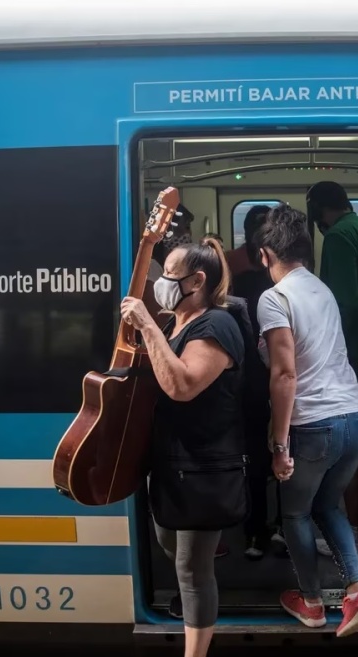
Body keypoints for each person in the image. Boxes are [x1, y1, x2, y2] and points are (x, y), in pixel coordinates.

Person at [254, 204, 358, 636]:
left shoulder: (274, 298)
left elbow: (284, 374)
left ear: (265, 255)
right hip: (355, 418)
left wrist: (279, 445)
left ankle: (311, 602)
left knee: (295, 514)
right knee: (328, 505)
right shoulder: (322, 289)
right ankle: (357, 591)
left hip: (314, 425)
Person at [120, 237, 248, 657]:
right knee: (175, 550)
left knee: (192, 570)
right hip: (173, 465)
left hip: (201, 468)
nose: (162, 282)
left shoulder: (217, 327)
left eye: (170, 275)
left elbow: (183, 385)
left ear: (197, 281)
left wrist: (147, 326)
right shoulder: (177, 324)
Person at [307, 181, 358, 559]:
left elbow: (343, 305)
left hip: (350, 357)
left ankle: (353, 533)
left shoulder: (338, 237)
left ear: (318, 210)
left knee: (353, 449)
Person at [229, 204, 277, 560]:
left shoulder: (277, 281)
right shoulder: (241, 277)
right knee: (260, 457)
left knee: (269, 456)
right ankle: (260, 529)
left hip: (267, 376)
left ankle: (263, 531)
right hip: (254, 379)